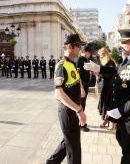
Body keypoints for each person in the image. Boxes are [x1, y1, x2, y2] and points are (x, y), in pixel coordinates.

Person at [84, 29, 130, 164]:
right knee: (124, 142)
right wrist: (99, 68)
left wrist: (120, 111)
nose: (120, 45)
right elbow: (118, 70)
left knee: (128, 154)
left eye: (123, 42)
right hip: (124, 114)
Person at [45, 34, 87, 164]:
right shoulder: (61, 65)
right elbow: (58, 93)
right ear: (70, 46)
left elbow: (75, 77)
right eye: (78, 46)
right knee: (74, 148)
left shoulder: (72, 63)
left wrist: (81, 88)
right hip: (68, 111)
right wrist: (79, 110)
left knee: (68, 140)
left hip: (73, 109)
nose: (80, 49)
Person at [97, 47, 117, 130]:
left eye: (101, 55)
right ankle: (107, 120)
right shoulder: (104, 61)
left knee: (109, 104)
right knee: (106, 104)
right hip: (105, 85)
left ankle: (109, 121)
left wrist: (100, 74)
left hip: (110, 85)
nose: (100, 57)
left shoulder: (110, 62)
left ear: (105, 53)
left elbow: (110, 74)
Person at [76, 45, 92, 132]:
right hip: (82, 86)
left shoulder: (86, 60)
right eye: (89, 52)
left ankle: (82, 122)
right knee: (81, 104)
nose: (90, 54)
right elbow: (78, 76)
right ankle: (81, 124)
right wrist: (82, 88)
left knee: (83, 103)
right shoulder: (79, 60)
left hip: (86, 85)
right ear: (84, 51)